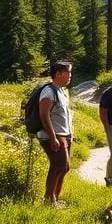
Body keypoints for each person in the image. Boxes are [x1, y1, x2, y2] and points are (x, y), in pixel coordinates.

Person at [38, 60, 74, 207]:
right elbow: (44, 115)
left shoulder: (61, 91)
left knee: (64, 167)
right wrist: (53, 137)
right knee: (59, 165)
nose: (70, 75)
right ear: (58, 74)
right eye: (68, 72)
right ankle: (48, 200)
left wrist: (70, 133)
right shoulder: (48, 91)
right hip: (53, 136)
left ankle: (55, 198)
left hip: (64, 135)